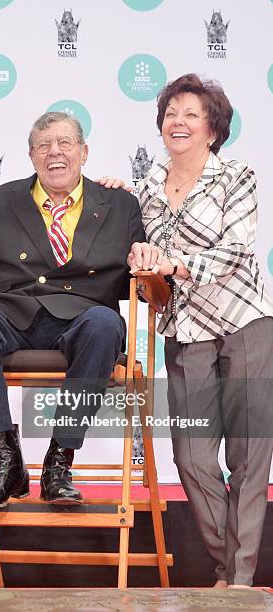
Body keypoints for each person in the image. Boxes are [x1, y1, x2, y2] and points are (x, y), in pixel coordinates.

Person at [0, 111, 150, 509]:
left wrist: (149, 262)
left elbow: (142, 286)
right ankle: (8, 459)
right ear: (31, 155)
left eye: (65, 143)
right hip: (14, 314)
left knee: (106, 324)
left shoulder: (120, 203)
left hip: (84, 319)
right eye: (43, 145)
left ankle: (60, 460)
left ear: (84, 152)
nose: (54, 152)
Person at [129, 73, 273, 588]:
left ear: (213, 129)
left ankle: (235, 579)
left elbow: (235, 252)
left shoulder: (237, 175)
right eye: (171, 113)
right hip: (185, 330)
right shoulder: (143, 193)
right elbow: (144, 264)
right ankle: (227, 561)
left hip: (245, 323)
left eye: (191, 114)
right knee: (190, 457)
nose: (178, 121)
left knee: (249, 458)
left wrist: (172, 263)